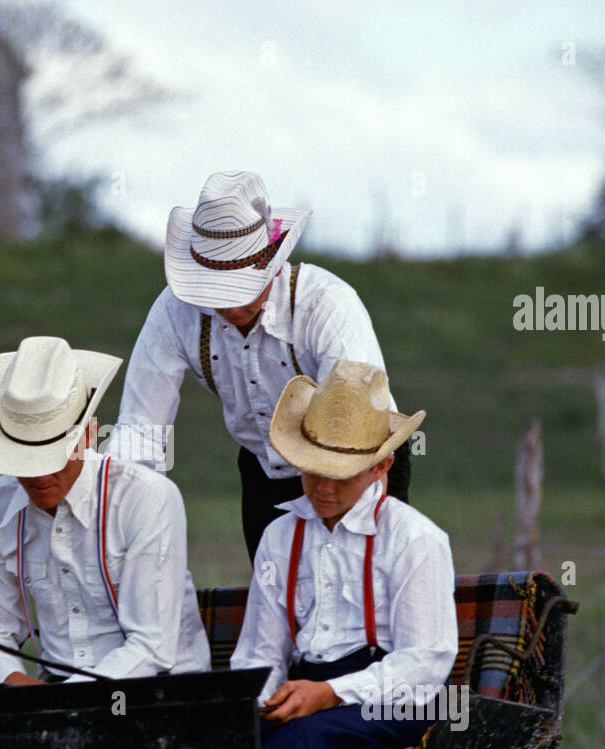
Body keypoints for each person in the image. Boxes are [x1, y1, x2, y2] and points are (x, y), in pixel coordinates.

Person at [114, 170, 412, 562]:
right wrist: (125, 527)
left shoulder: (328, 306)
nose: (230, 304)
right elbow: (140, 434)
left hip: (357, 461)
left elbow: (356, 427)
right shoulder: (174, 313)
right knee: (278, 594)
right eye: (215, 288)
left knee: (362, 590)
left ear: (272, 262)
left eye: (241, 285)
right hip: (263, 469)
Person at [230, 360, 456, 749]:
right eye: (313, 471)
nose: (323, 489)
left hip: (392, 700)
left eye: (342, 475)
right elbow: (262, 651)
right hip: (305, 687)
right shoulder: (280, 536)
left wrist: (331, 693)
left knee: (300, 745)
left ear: (381, 468)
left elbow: (425, 665)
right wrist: (256, 706)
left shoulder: (414, 539)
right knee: (227, 748)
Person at [0, 335, 211, 685]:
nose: (40, 476)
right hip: (52, 691)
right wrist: (14, 683)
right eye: (25, 461)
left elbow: (151, 646)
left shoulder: (147, 497)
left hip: (158, 690)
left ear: (89, 435)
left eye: (54, 457)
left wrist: (63, 700)